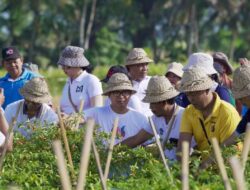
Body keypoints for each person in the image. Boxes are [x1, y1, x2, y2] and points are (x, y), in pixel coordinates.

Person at [176, 66, 241, 164]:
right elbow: (182, 148)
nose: (190, 99)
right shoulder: (189, 111)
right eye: (187, 94)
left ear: (207, 89)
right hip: (205, 169)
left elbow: (227, 152)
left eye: (194, 93)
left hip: (230, 168)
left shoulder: (227, 112)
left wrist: (201, 170)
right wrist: (184, 167)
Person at [121, 76, 190, 160]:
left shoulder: (184, 116)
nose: (150, 107)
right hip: (165, 170)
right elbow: (136, 139)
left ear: (164, 101)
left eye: (153, 103)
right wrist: (111, 151)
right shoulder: (156, 119)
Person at [83, 73, 150, 144]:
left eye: (125, 92)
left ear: (130, 95)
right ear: (109, 95)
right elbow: (76, 118)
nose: (121, 96)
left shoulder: (140, 119)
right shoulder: (97, 113)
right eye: (116, 92)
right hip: (103, 155)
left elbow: (147, 144)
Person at [58, 46, 103, 115]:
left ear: (78, 65)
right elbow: (63, 108)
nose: (64, 69)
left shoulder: (91, 80)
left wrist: (75, 118)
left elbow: (97, 109)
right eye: (63, 66)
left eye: (67, 66)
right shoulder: (67, 83)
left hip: (85, 125)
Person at [125, 48, 153, 116]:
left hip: (152, 121)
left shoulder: (153, 82)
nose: (145, 68)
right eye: (140, 65)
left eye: (146, 64)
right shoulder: (123, 85)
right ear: (130, 67)